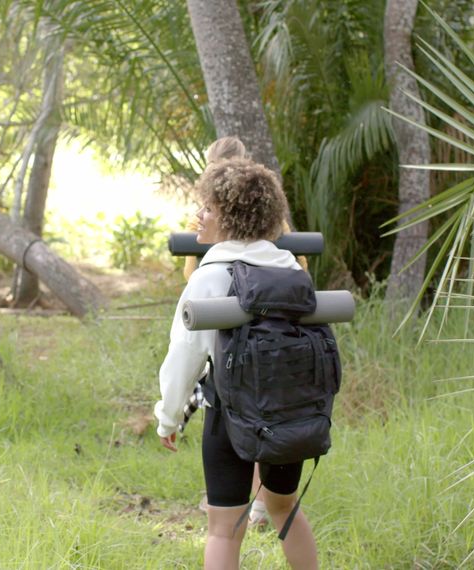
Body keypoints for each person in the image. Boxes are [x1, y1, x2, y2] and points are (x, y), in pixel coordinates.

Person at [155, 158, 319, 569]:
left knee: (223, 528)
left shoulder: (210, 276)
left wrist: (168, 418)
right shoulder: (290, 268)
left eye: (208, 208)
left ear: (231, 217)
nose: (199, 215)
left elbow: (185, 355)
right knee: (284, 508)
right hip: (289, 410)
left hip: (230, 413)